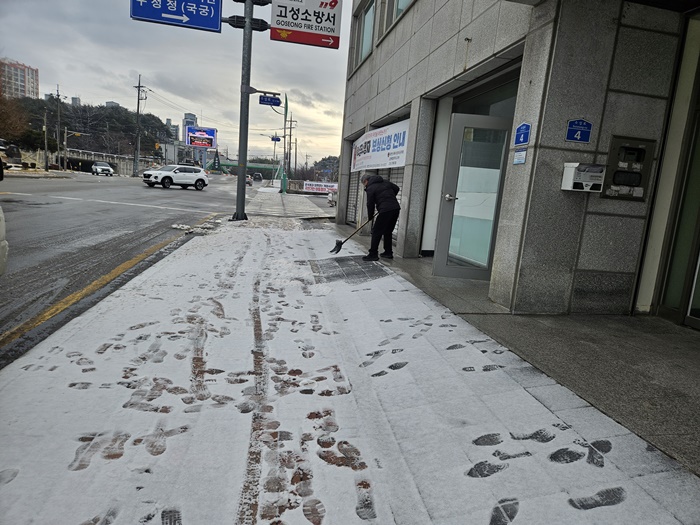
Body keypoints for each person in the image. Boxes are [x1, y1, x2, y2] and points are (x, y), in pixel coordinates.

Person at [361, 173, 400, 261]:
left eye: (364, 184)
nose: (365, 185)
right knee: (387, 231)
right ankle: (388, 252)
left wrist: (370, 217)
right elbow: (397, 188)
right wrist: (389, 198)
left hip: (385, 210)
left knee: (376, 232)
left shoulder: (370, 188)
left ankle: (373, 254)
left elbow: (370, 204)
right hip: (395, 208)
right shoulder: (385, 182)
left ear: (366, 181)